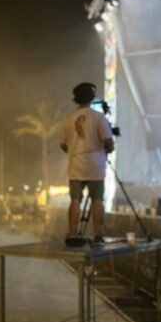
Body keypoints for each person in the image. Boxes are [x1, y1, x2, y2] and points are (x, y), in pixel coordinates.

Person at [59, 82, 114, 241]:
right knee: (97, 199)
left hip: (76, 162)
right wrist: (106, 150)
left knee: (75, 199)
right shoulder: (99, 117)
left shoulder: (67, 119)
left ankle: (73, 232)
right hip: (96, 162)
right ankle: (99, 233)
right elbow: (109, 141)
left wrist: (74, 151)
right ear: (92, 97)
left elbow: (63, 144)